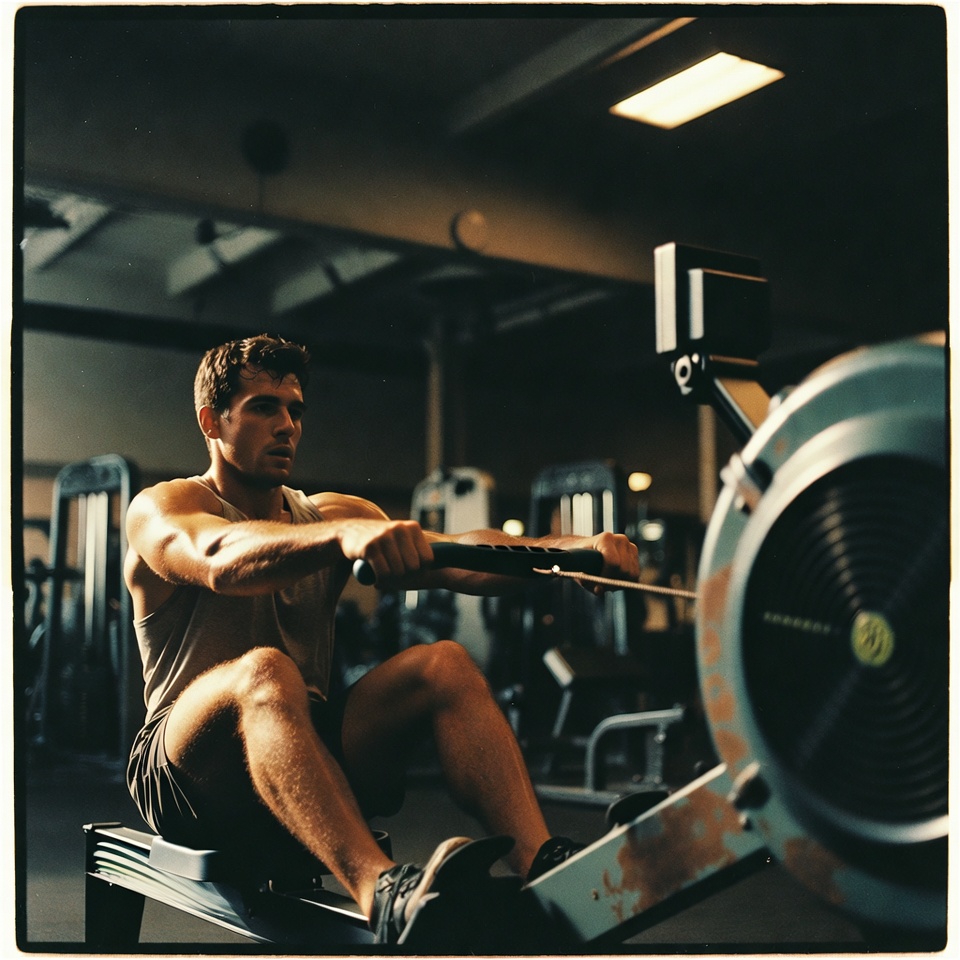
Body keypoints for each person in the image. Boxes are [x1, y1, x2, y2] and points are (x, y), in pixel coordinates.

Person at [123, 333, 641, 943]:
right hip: (187, 776)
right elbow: (217, 558)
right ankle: (384, 893)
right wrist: (342, 541)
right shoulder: (165, 505)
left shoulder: (325, 511)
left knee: (443, 665)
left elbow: (462, 555)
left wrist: (572, 554)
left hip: (302, 749)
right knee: (264, 669)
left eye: (295, 410)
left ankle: (546, 866)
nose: (287, 425)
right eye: (264, 407)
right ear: (213, 419)